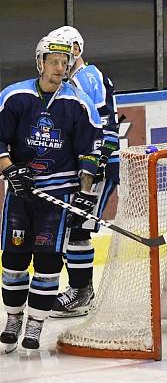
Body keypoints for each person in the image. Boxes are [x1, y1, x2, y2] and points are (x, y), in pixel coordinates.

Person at [0, 33, 102, 351]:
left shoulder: (78, 103)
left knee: (47, 263)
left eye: (64, 63)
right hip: (21, 194)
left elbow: (89, 153)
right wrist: (9, 170)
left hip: (57, 197)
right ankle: (13, 319)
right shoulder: (14, 97)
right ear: (40, 63)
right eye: (54, 62)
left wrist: (84, 194)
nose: (60, 68)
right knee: (13, 261)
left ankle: (34, 326)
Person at [45, 26, 120, 318]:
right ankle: (80, 288)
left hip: (97, 167)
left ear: (76, 49)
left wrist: (97, 164)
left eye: (64, 52)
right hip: (81, 167)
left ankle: (81, 292)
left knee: (78, 228)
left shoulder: (88, 77)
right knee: (71, 229)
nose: (59, 59)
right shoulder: (70, 82)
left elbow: (105, 126)